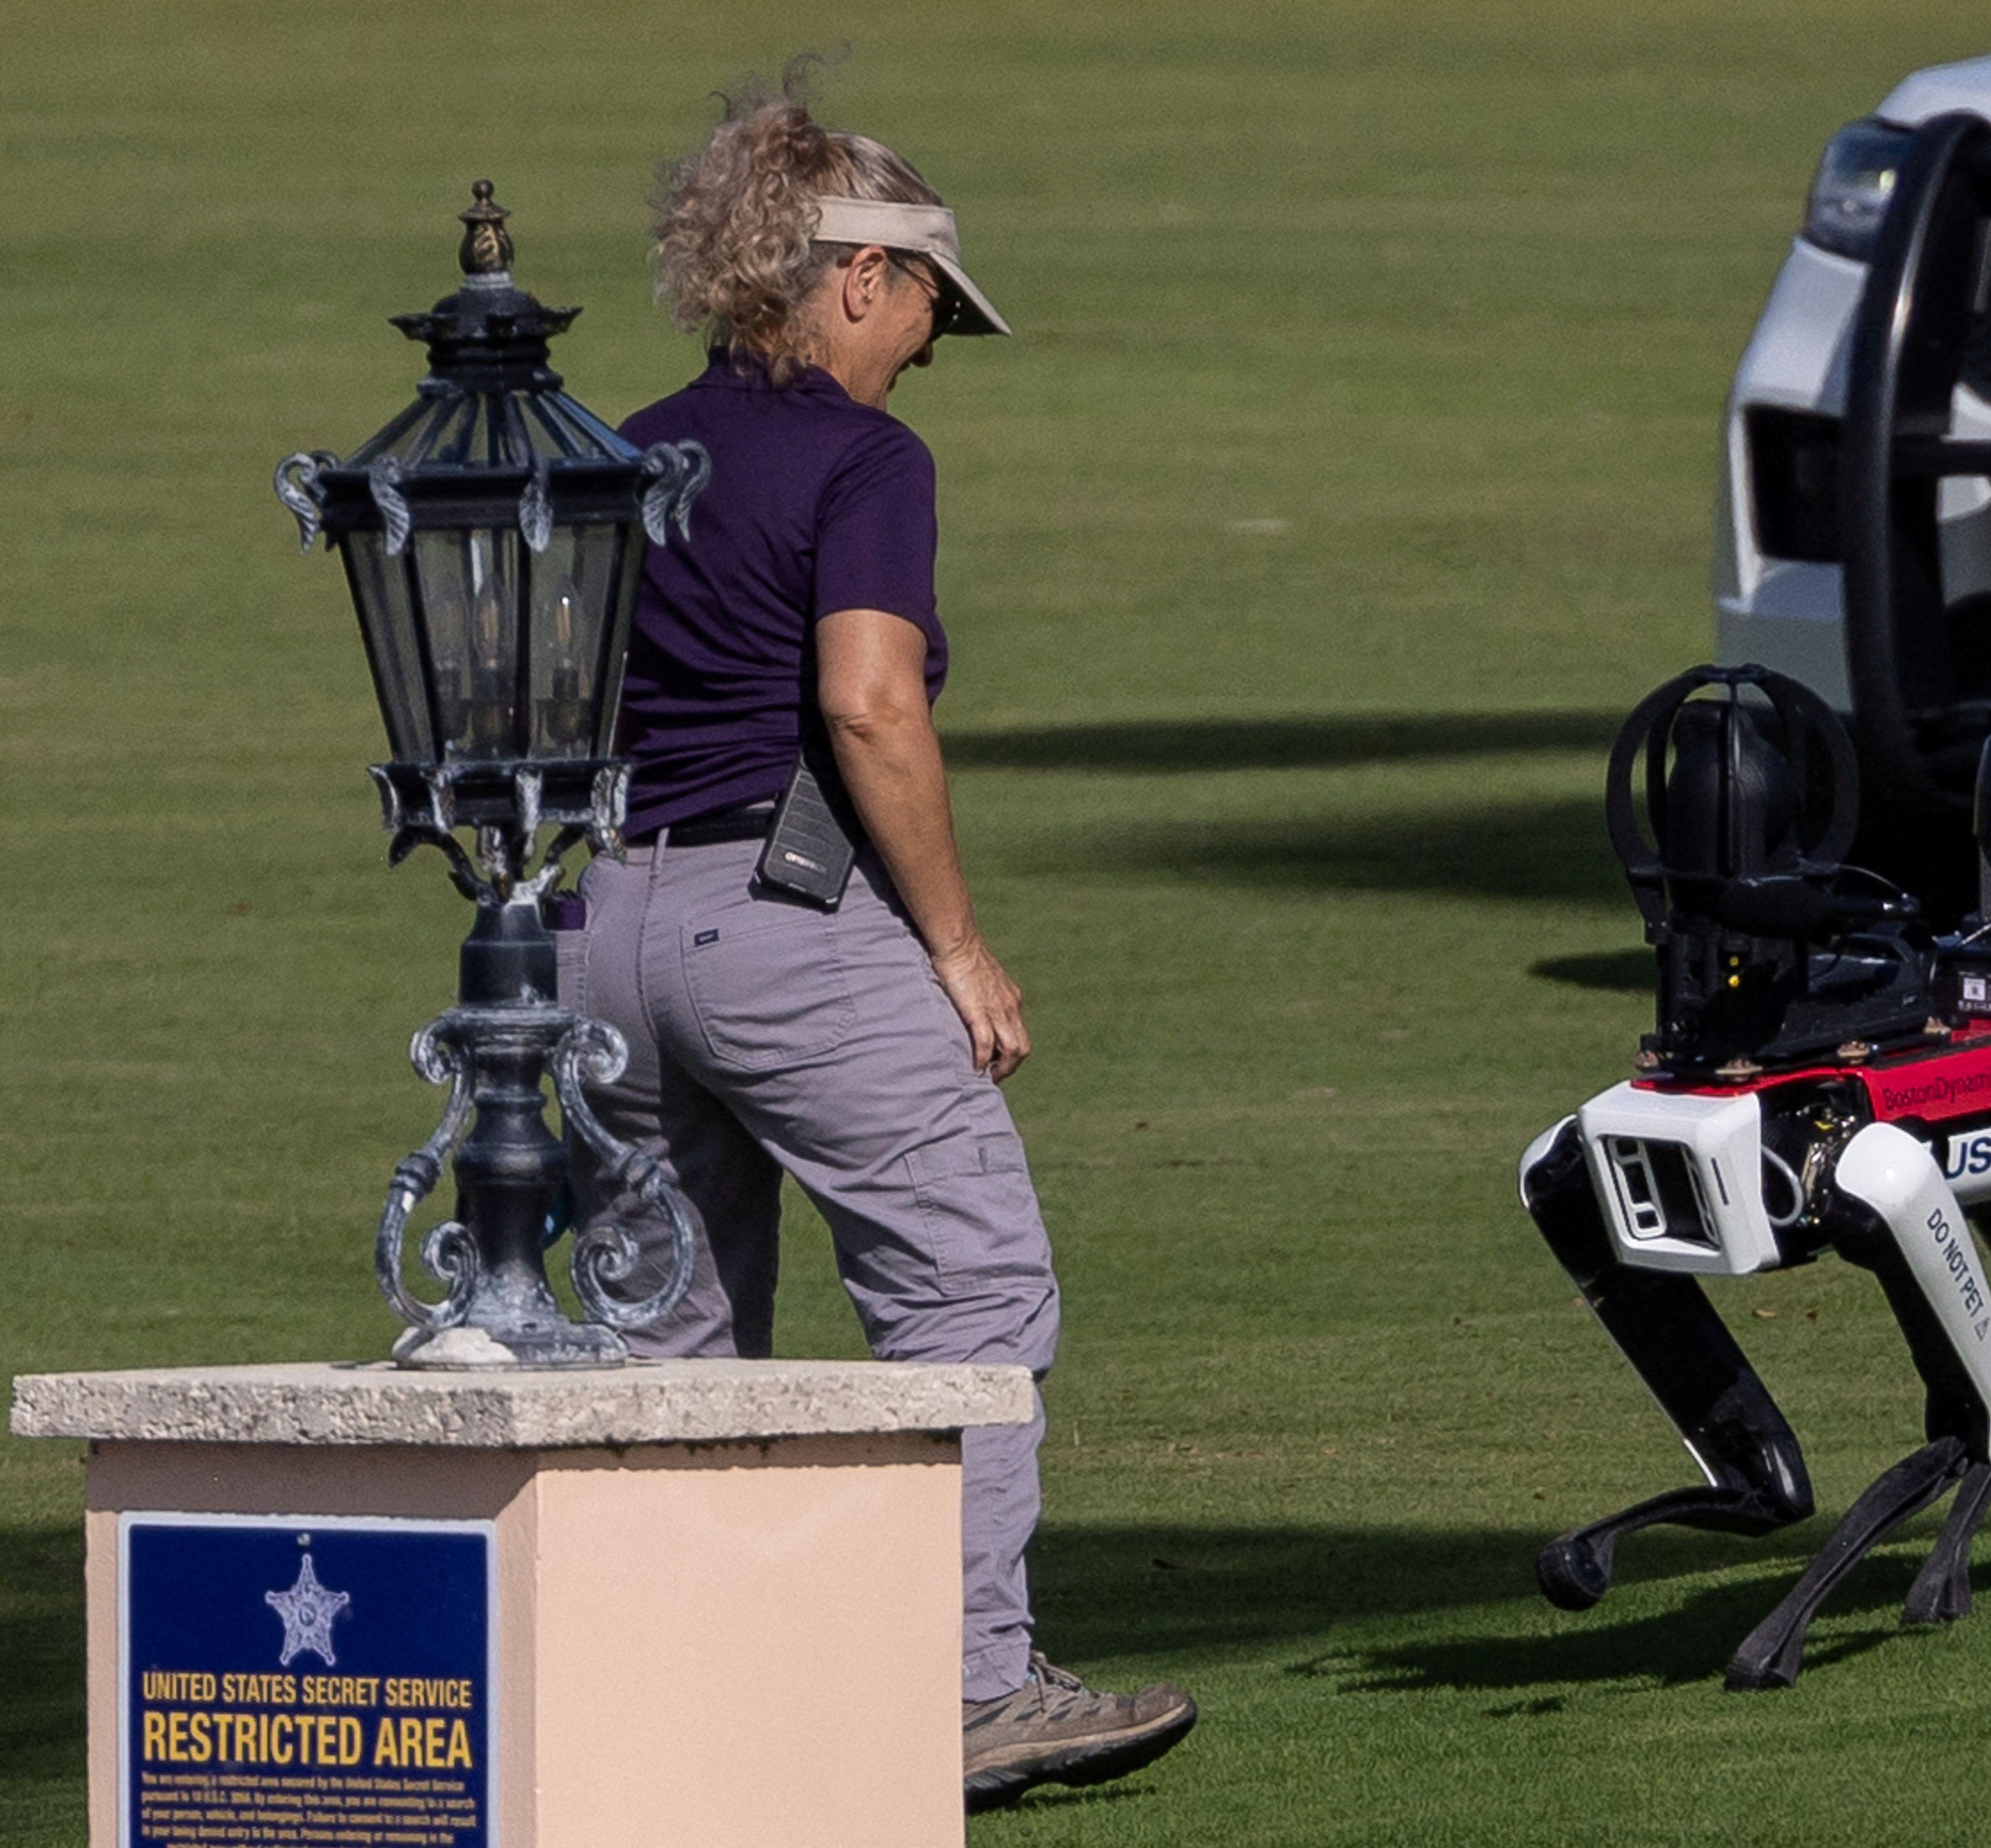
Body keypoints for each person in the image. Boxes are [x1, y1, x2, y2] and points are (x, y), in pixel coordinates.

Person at [562, 88, 1195, 1809]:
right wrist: (962, 945)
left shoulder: (621, 446)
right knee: (975, 1289)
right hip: (783, 932)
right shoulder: (862, 460)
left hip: (596, 938)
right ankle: (977, 1685)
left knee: (671, 1343)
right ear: (852, 280)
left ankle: (671, 1695)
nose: (932, 349)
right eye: (928, 307)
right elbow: (867, 701)